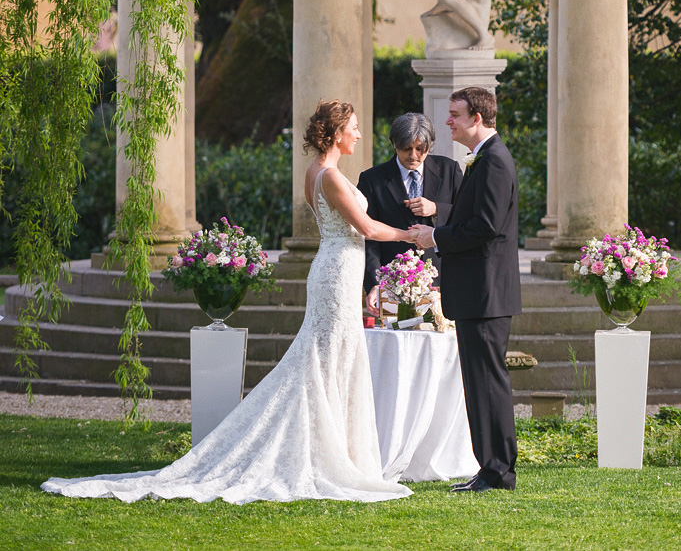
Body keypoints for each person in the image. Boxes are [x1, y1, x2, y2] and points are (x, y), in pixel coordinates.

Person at [42, 101, 414, 504]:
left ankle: (334, 448)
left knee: (331, 357)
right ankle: (322, 451)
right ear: (337, 132)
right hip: (337, 270)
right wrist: (415, 235)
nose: (359, 134)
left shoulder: (316, 173)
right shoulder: (331, 178)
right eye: (354, 127)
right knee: (324, 357)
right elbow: (367, 227)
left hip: (334, 268)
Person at [411, 86, 521, 493]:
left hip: (486, 292)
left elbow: (487, 226)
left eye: (455, 114)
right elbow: (474, 214)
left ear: (477, 118)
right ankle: (490, 467)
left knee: (488, 382)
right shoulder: (484, 159)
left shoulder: (493, 161)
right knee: (479, 382)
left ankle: (498, 473)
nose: (447, 121)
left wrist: (435, 237)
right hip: (480, 291)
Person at [357, 112, 464, 313]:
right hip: (391, 283)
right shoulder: (372, 180)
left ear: (429, 146)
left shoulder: (449, 170)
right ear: (394, 144)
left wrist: (436, 209)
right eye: (407, 149)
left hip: (443, 280)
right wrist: (374, 282)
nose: (413, 155)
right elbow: (367, 239)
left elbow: (466, 217)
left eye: (420, 149)